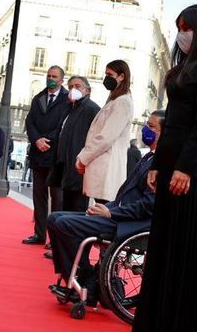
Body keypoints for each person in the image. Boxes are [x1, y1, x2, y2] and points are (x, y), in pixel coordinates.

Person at [136, 4, 197, 332]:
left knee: (182, 255)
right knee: (161, 249)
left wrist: (184, 169)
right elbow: (172, 123)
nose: (181, 34)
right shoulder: (184, 69)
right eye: (178, 27)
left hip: (189, 172)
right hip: (170, 166)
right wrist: (158, 165)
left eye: (187, 27)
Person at [47, 109, 162, 305]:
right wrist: (106, 208)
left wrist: (110, 212)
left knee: (65, 224)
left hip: (129, 223)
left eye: (151, 127)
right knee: (54, 218)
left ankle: (86, 280)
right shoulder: (149, 157)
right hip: (118, 214)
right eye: (146, 125)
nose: (145, 130)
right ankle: (80, 277)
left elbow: (148, 206)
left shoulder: (160, 165)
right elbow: (127, 196)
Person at [23, 65, 71, 245]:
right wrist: (36, 140)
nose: (51, 78)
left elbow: (62, 125)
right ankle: (39, 234)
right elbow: (30, 121)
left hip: (55, 156)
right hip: (38, 155)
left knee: (57, 199)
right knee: (39, 196)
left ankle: (54, 238)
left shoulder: (67, 99)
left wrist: (46, 140)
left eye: (54, 76)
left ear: (61, 80)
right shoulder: (39, 98)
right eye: (49, 75)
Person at [76, 60, 133, 204]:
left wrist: (83, 157)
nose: (106, 78)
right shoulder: (116, 100)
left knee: (102, 212)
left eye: (110, 74)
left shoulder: (122, 102)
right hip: (102, 167)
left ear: (121, 76)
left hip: (107, 169)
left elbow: (106, 137)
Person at [53, 76, 100, 213]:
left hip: (78, 167)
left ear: (87, 90)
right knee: (64, 207)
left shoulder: (92, 109)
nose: (73, 89)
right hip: (65, 166)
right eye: (71, 86)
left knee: (76, 208)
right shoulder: (69, 108)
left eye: (78, 86)